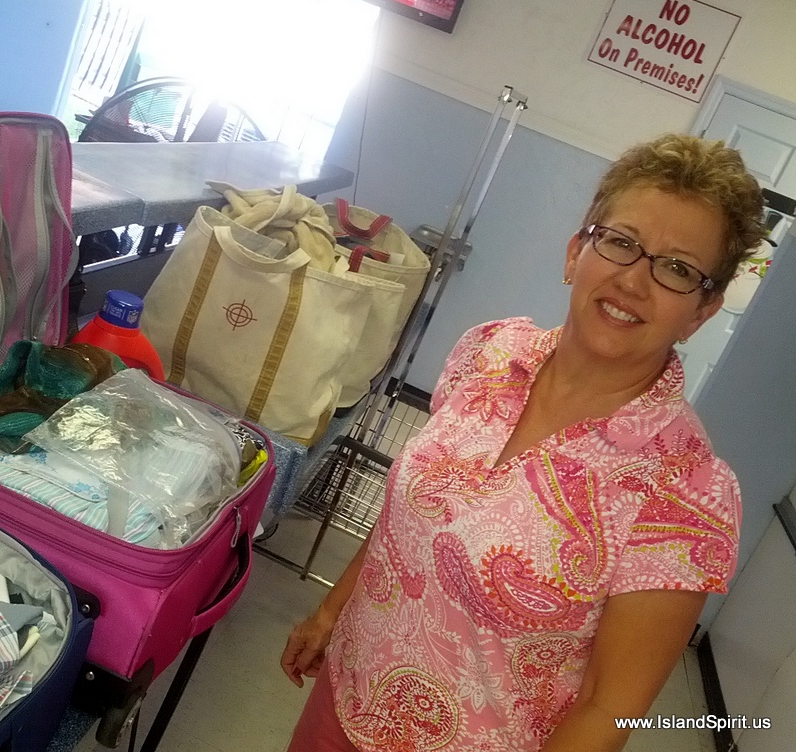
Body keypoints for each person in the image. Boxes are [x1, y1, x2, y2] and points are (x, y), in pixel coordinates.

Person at [280, 133, 765, 752]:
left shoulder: (686, 493)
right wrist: (331, 610)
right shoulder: (490, 352)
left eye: (677, 269)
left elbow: (609, 707)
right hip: (343, 695)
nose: (634, 281)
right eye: (621, 242)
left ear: (700, 312)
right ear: (575, 253)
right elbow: (411, 520)